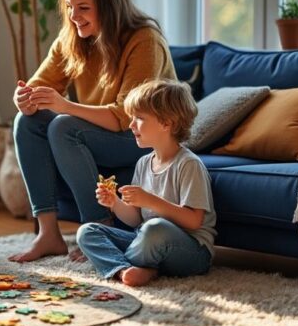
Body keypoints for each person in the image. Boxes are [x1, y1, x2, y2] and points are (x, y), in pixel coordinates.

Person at [9, 0, 177, 263]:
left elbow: (125, 117)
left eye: (83, 8)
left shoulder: (144, 40)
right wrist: (23, 98)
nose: (74, 17)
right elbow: (37, 86)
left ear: (109, 6)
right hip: (101, 133)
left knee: (63, 126)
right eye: (70, 7)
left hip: (142, 138)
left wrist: (65, 106)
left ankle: (100, 230)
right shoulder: (72, 39)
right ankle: (48, 234)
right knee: (28, 121)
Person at [77, 79, 215, 286]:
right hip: (147, 240)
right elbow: (134, 220)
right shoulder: (143, 163)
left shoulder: (189, 165)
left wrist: (150, 201)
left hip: (191, 252)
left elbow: (194, 221)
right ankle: (124, 270)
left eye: (139, 118)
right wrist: (115, 203)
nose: (131, 125)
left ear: (167, 123)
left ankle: (133, 265)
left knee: (154, 228)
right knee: (87, 231)